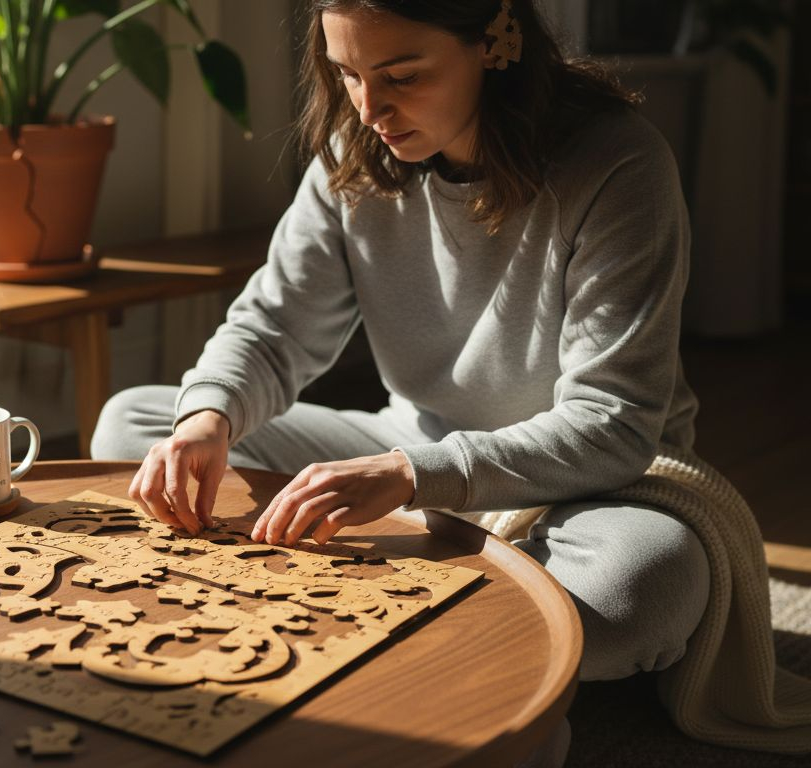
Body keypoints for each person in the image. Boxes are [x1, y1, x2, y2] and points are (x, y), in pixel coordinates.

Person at [91, 0, 709, 707]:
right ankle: (457, 624)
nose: (369, 108)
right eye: (346, 74)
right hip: (411, 450)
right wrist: (208, 420)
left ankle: (371, 619)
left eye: (403, 76)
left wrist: (411, 476)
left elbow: (614, 424)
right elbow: (274, 328)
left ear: (496, 39)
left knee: (641, 588)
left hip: (586, 488)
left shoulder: (618, 162)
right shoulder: (350, 156)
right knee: (138, 427)